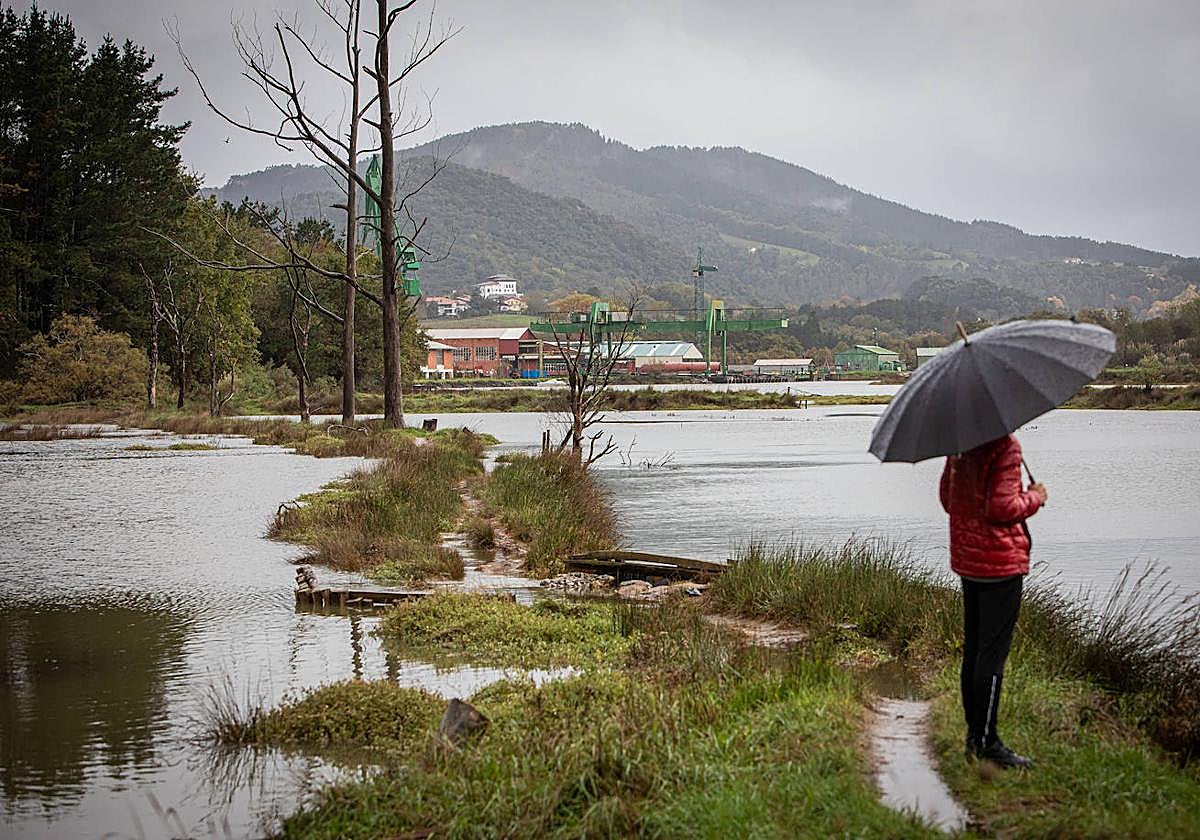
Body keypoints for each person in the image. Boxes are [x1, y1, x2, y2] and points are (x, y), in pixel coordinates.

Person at [940, 433, 1047, 769]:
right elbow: (1002, 508)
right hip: (1000, 564)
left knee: (974, 651)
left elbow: (948, 499)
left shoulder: (958, 443)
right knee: (992, 655)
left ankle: (975, 737)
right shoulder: (1005, 446)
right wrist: (1034, 497)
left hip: (970, 563)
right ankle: (987, 743)